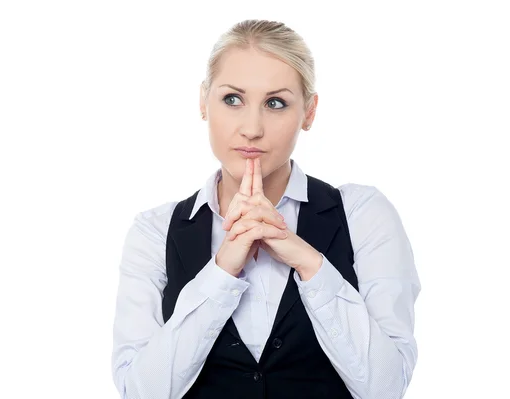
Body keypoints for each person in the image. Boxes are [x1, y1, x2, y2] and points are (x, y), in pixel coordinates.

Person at [111, 19, 421, 399]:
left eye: (276, 103)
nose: (252, 128)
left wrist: (309, 263)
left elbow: (386, 388)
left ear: (308, 112)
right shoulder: (155, 231)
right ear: (203, 102)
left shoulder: (362, 215)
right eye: (232, 99)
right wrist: (222, 271)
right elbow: (139, 392)